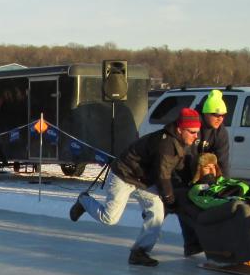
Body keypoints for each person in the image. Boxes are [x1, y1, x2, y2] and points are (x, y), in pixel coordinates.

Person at [69, 107, 200, 266]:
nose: (196, 136)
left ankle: (139, 252)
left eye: (197, 132)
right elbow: (163, 176)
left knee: (157, 213)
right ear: (180, 129)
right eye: (192, 132)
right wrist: (170, 198)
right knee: (110, 218)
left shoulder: (183, 142)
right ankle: (84, 201)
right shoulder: (166, 145)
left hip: (143, 180)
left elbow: (179, 169)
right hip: (123, 175)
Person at [176, 89, 232, 256]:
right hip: (179, 171)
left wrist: (223, 185)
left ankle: (207, 242)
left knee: (206, 203)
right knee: (184, 203)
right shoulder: (192, 125)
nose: (220, 118)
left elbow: (223, 161)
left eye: (223, 115)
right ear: (205, 113)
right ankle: (192, 243)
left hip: (202, 173)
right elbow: (182, 156)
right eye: (216, 115)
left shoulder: (220, 132)